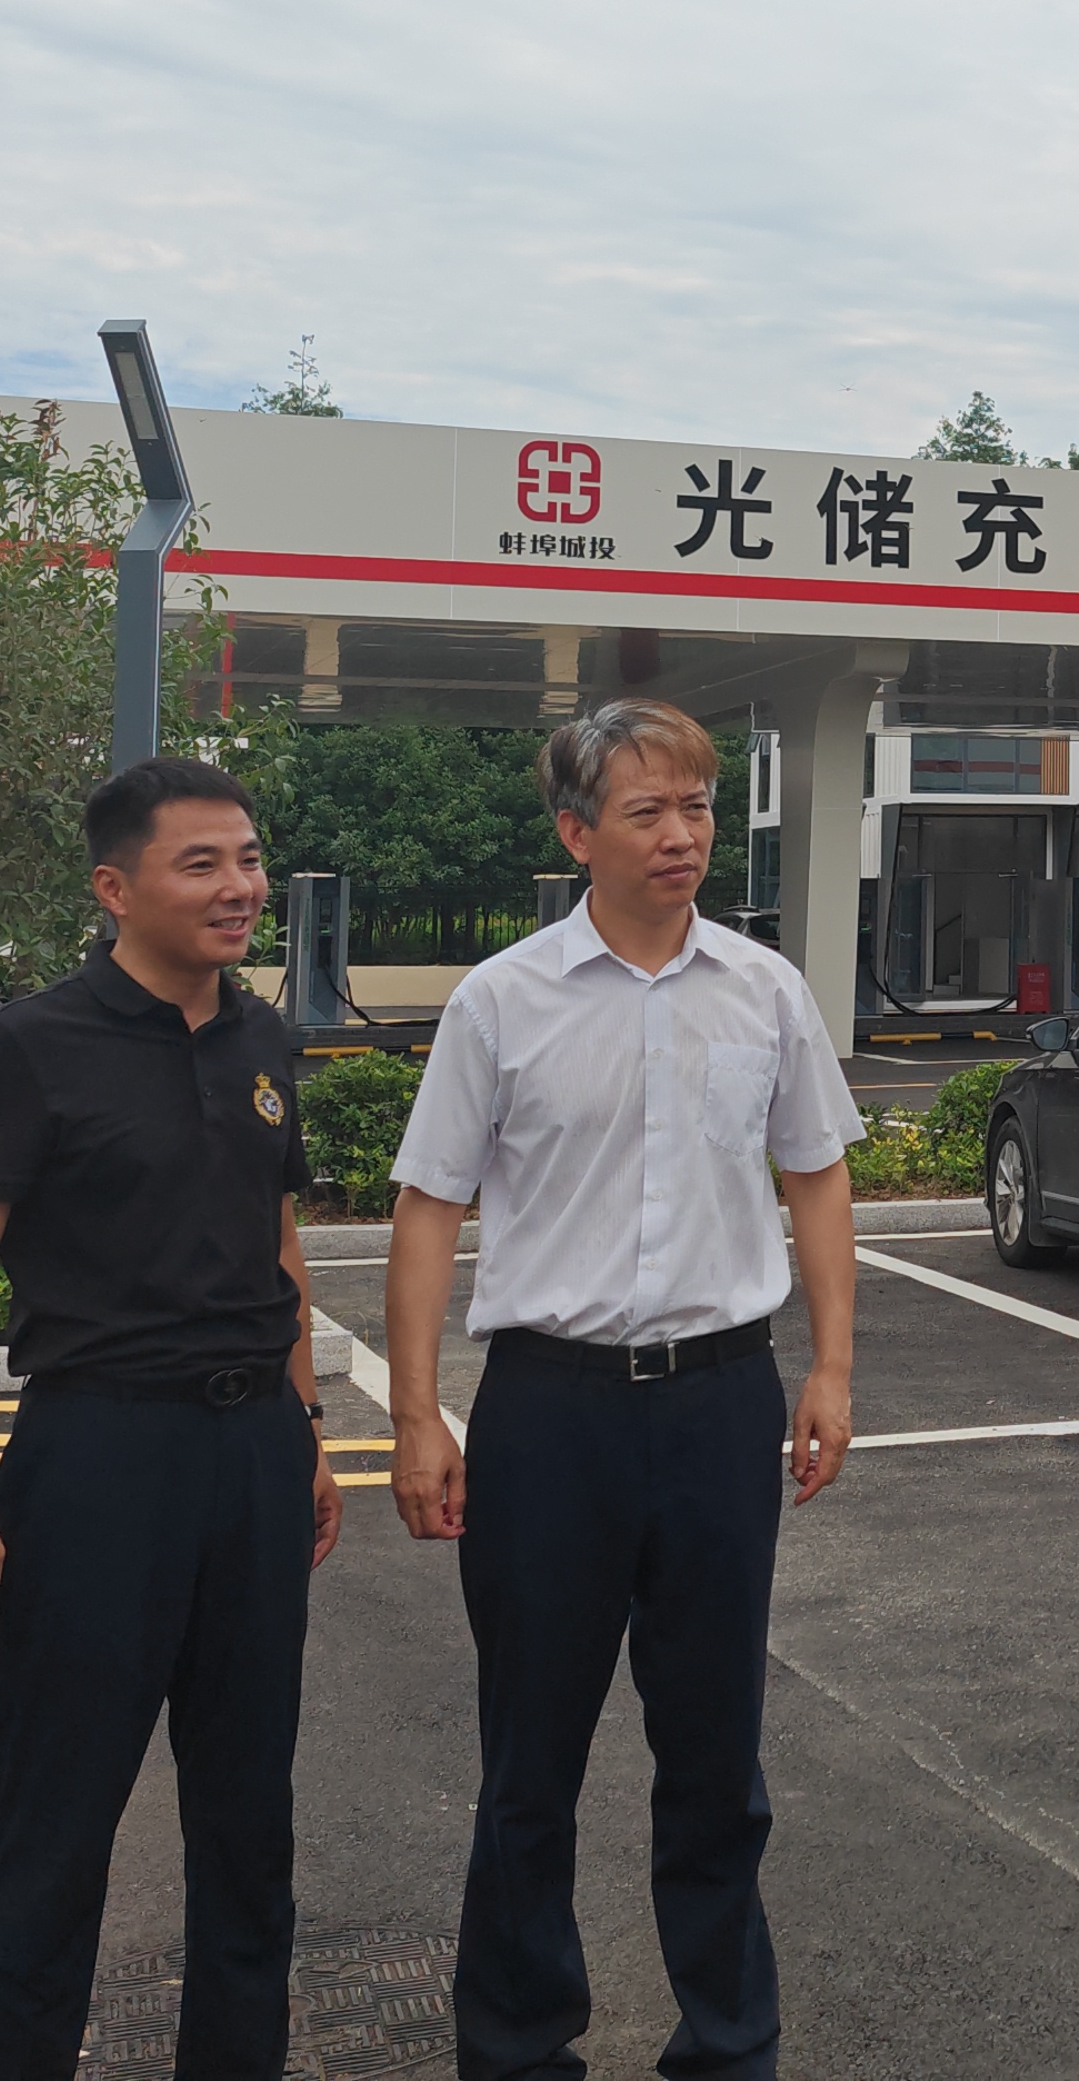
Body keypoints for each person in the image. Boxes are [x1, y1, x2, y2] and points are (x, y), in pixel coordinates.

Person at [383, 698, 863, 2081]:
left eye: (698, 806)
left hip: (720, 1405)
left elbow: (816, 1175)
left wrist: (831, 1367)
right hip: (552, 1415)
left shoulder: (763, 990)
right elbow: (429, 1209)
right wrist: (415, 1416)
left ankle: (729, 2044)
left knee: (715, 1760)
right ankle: (519, 2046)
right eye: (648, 811)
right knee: (529, 1763)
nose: (682, 834)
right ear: (576, 832)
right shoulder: (502, 1001)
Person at [0, 757, 344, 2081]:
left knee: (249, 1830)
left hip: (251, 1457)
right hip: (97, 1460)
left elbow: (275, 1238)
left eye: (248, 860)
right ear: (115, 887)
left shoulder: (261, 1037)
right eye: (200, 864)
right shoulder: (29, 1048)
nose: (238, 887)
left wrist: (307, 1427)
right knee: (55, 1831)